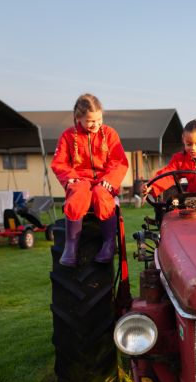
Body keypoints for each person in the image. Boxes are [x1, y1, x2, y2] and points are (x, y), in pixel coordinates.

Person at [51, 93, 129, 267]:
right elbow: (59, 163)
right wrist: (70, 178)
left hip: (104, 181)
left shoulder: (109, 134)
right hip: (80, 180)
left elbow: (120, 162)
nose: (96, 124)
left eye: (99, 119)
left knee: (101, 194)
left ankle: (109, 243)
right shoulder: (68, 136)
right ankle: (71, 246)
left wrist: (110, 179)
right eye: (91, 121)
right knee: (78, 194)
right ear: (78, 118)